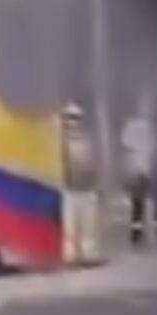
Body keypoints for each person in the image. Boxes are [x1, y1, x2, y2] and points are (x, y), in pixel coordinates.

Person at [60, 102, 102, 266]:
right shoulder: (60, 142)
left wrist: (96, 183)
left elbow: (94, 162)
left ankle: (89, 255)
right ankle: (70, 257)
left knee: (88, 225)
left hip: (87, 187)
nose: (72, 122)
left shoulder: (87, 140)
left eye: (75, 118)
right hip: (68, 188)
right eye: (69, 118)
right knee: (70, 226)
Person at [121, 106, 157, 249]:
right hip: (144, 169)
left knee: (151, 205)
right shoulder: (150, 126)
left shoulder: (153, 126)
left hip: (149, 169)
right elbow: (128, 150)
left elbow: (127, 149)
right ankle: (146, 237)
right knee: (142, 205)